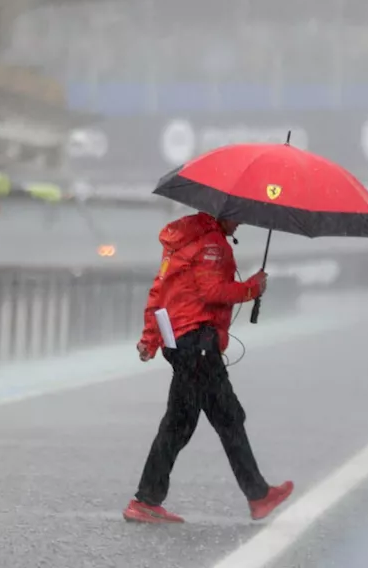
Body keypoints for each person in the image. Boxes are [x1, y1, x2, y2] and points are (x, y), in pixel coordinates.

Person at [123, 212, 294, 524]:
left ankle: (146, 500)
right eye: (237, 217)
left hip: (181, 343)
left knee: (179, 424)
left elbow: (159, 292)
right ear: (223, 214)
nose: (240, 223)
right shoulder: (213, 244)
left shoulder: (182, 241)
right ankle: (258, 495)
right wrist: (252, 288)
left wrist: (150, 337)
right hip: (199, 344)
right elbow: (212, 292)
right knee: (227, 418)